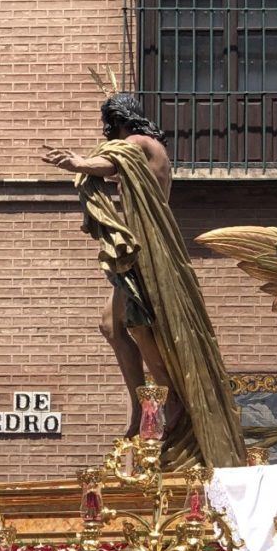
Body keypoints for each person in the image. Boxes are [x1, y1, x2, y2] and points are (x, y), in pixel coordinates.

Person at [42, 93, 245, 468]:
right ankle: (142, 403)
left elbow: (114, 161)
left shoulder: (138, 143)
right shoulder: (151, 149)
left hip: (147, 250)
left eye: (107, 124)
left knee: (137, 322)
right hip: (145, 245)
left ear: (116, 121)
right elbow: (117, 167)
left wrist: (79, 163)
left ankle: (169, 397)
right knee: (111, 324)